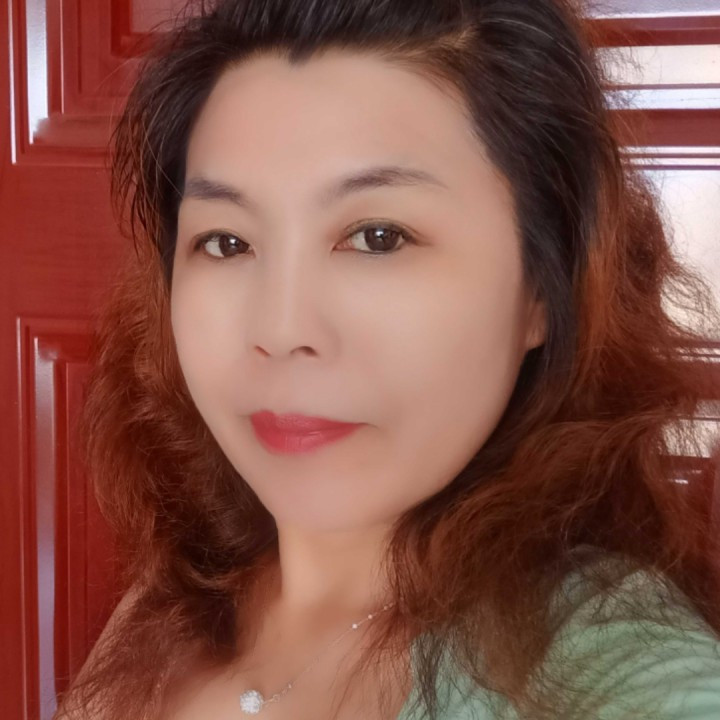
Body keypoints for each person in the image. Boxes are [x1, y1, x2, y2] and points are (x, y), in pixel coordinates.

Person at [54, 0, 720, 719]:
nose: (280, 329)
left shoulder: (599, 664)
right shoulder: (171, 600)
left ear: (542, 291)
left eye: (378, 237)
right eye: (227, 242)